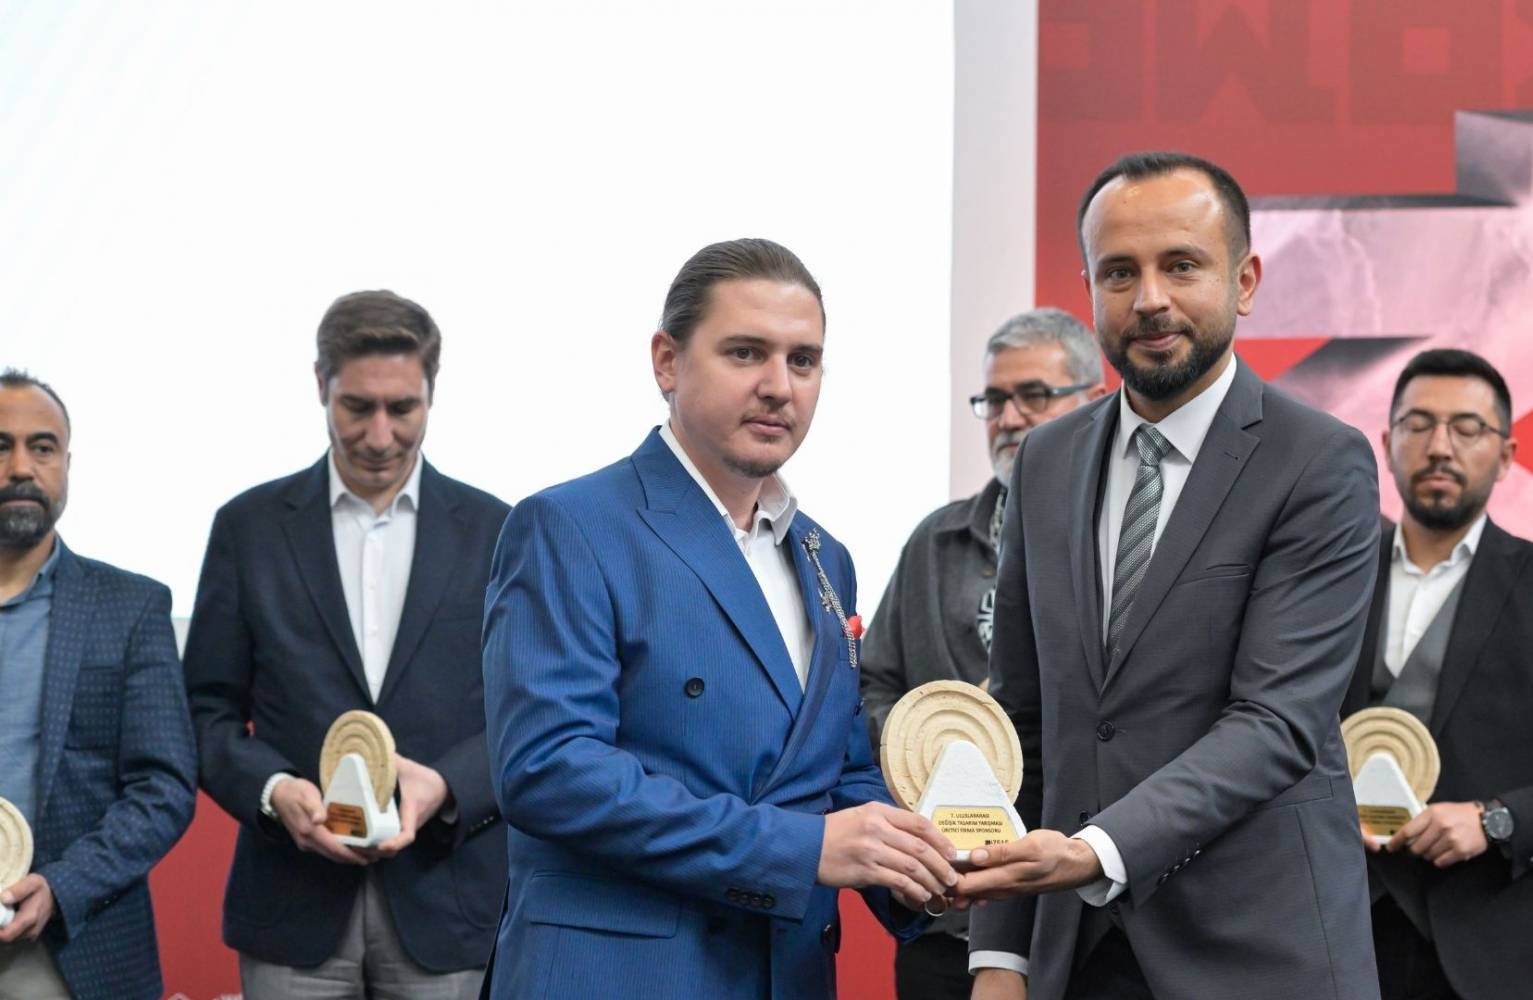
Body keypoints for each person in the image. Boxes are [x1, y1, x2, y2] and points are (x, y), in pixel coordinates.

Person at [480, 238, 957, 1000]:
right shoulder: (569, 526)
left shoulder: (825, 557)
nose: (779, 387)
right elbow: (550, 770)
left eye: (803, 361)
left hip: (786, 976)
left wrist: (929, 859)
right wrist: (801, 848)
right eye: (745, 353)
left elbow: (835, 773)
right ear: (666, 362)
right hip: (622, 978)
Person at [961, 152, 1383, 1000]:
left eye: (1180, 265)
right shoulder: (1044, 461)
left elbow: (1275, 722)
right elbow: (1022, 721)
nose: (1148, 298)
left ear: (1244, 281)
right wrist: (1000, 956)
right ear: (1090, 289)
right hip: (1076, 956)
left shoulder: (1318, 462)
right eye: (1119, 272)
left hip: (1258, 955)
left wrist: (1093, 852)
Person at [183, 292, 510, 998]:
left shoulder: (497, 531)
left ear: (432, 392)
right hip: (290, 903)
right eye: (357, 407)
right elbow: (204, 710)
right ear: (320, 385)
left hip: (449, 903)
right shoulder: (247, 527)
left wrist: (446, 787)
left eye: (403, 408)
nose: (380, 435)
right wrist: (275, 793)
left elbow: (527, 711)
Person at [1342, 348, 1533, 999]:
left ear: (1507, 454)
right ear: (1387, 444)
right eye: (1418, 425)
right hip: (1337, 938)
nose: (1439, 447)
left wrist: (1493, 820)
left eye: (1466, 428)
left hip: (1497, 953)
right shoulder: (1329, 579)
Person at [860, 307, 1105, 998]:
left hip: (1084, 909)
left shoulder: (1125, 544)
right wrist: (925, 751)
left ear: (1094, 401)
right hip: (948, 905)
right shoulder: (934, 542)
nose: (1009, 417)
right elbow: (872, 684)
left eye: (1034, 395)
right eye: (994, 400)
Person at [0, 369, 197, 1000]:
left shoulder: (130, 608)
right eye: (0, 446)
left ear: (67, 463)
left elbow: (164, 788)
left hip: (67, 951)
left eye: (42, 447)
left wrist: (64, 886)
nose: (21, 467)